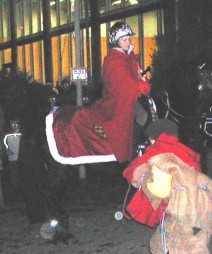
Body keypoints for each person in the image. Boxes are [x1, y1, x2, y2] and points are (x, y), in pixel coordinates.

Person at [123, 119, 212, 254]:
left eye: (151, 138)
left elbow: (160, 190)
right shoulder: (181, 152)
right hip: (203, 204)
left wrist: (145, 180)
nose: (150, 142)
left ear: (155, 137)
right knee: (186, 247)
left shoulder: (160, 156)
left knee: (161, 247)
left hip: (184, 208)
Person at [46, 22, 151, 165]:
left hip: (129, 97)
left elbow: (134, 77)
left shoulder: (128, 57)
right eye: (125, 40)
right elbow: (124, 84)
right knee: (142, 115)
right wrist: (142, 86)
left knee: (147, 112)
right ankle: (133, 152)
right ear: (117, 42)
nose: (128, 42)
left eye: (129, 39)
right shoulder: (114, 61)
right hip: (117, 101)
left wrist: (142, 79)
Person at [4, 119, 21, 190]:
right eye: (12, 124)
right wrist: (7, 150)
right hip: (11, 157)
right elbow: (4, 144)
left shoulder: (21, 134)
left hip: (21, 157)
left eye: (15, 124)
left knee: (20, 172)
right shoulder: (7, 134)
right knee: (13, 173)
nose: (14, 126)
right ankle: (14, 188)